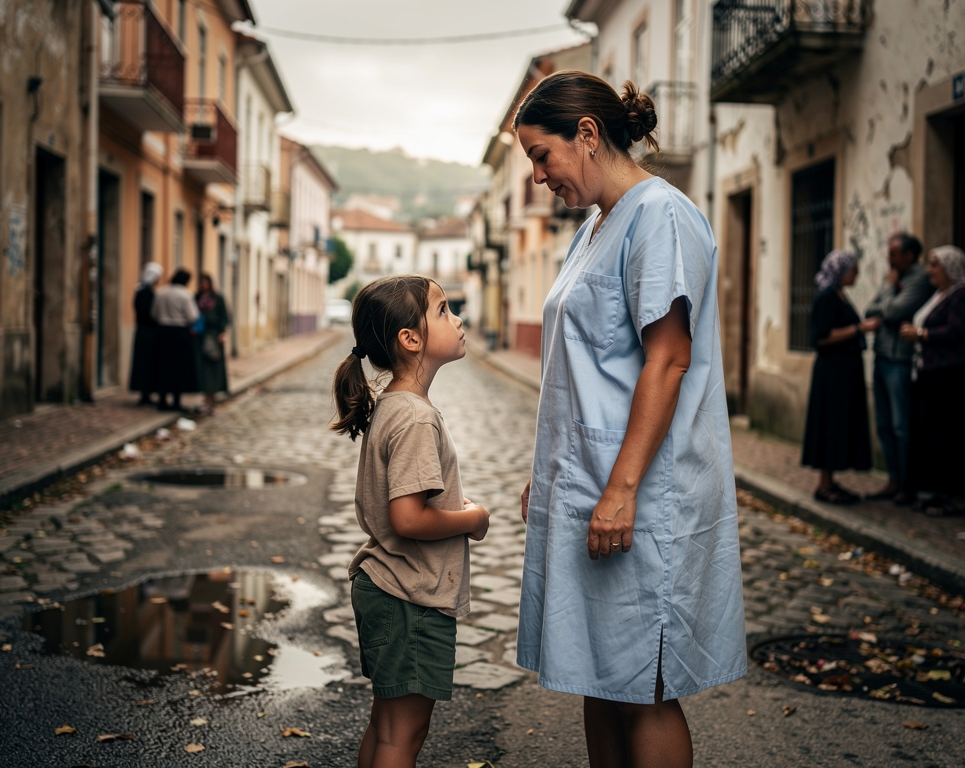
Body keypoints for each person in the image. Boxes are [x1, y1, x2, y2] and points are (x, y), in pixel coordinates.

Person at [513, 71, 747, 768]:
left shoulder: (660, 216)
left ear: (587, 135)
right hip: (585, 482)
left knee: (642, 682)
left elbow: (668, 359)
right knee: (599, 670)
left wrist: (620, 488)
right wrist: (549, 474)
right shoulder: (596, 225)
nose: (535, 176)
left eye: (539, 155)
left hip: (640, 490)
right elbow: (582, 364)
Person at [331, 274, 490, 768]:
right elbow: (408, 518)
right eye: (444, 310)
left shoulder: (394, 407)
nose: (458, 319)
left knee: (386, 726)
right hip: (410, 598)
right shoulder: (417, 417)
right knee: (404, 734)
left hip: (387, 590)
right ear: (411, 339)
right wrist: (471, 518)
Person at [900, 245, 965, 516]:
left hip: (955, 378)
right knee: (935, 435)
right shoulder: (940, 295)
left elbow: (956, 330)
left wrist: (922, 334)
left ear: (951, 268)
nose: (930, 270)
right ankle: (939, 492)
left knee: (954, 435)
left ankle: (956, 496)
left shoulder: (963, 295)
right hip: (933, 375)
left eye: (935, 265)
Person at [800, 250, 881, 504]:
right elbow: (821, 337)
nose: (855, 275)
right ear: (840, 271)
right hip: (832, 374)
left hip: (843, 373)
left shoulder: (839, 296)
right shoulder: (826, 298)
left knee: (837, 426)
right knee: (830, 424)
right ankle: (824, 485)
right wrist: (860, 328)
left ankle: (831, 482)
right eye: (853, 270)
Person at [864, 232, 934, 505]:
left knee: (901, 425)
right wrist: (888, 292)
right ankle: (893, 480)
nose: (888, 258)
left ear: (909, 255)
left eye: (893, 253)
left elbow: (892, 312)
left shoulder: (919, 279)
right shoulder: (893, 279)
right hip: (881, 357)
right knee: (883, 425)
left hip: (900, 362)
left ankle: (907, 484)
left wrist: (889, 291)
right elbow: (871, 311)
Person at [151, 268, 199, 412]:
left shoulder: (161, 292)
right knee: (178, 368)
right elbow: (193, 316)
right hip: (180, 333)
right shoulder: (185, 295)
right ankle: (176, 401)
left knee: (163, 366)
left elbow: (154, 313)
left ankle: (162, 400)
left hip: (162, 332)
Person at [194, 273, 229, 416]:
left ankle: (211, 400)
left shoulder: (218, 299)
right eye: (201, 282)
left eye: (206, 282)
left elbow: (225, 317)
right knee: (202, 371)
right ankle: (205, 400)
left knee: (214, 369)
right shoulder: (197, 298)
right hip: (200, 338)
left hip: (214, 337)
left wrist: (222, 333)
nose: (204, 285)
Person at [129, 261, 163, 406]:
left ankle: (146, 393)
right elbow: (148, 313)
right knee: (146, 363)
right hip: (147, 332)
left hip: (143, 331)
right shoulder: (146, 293)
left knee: (146, 363)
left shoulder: (141, 291)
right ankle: (145, 394)